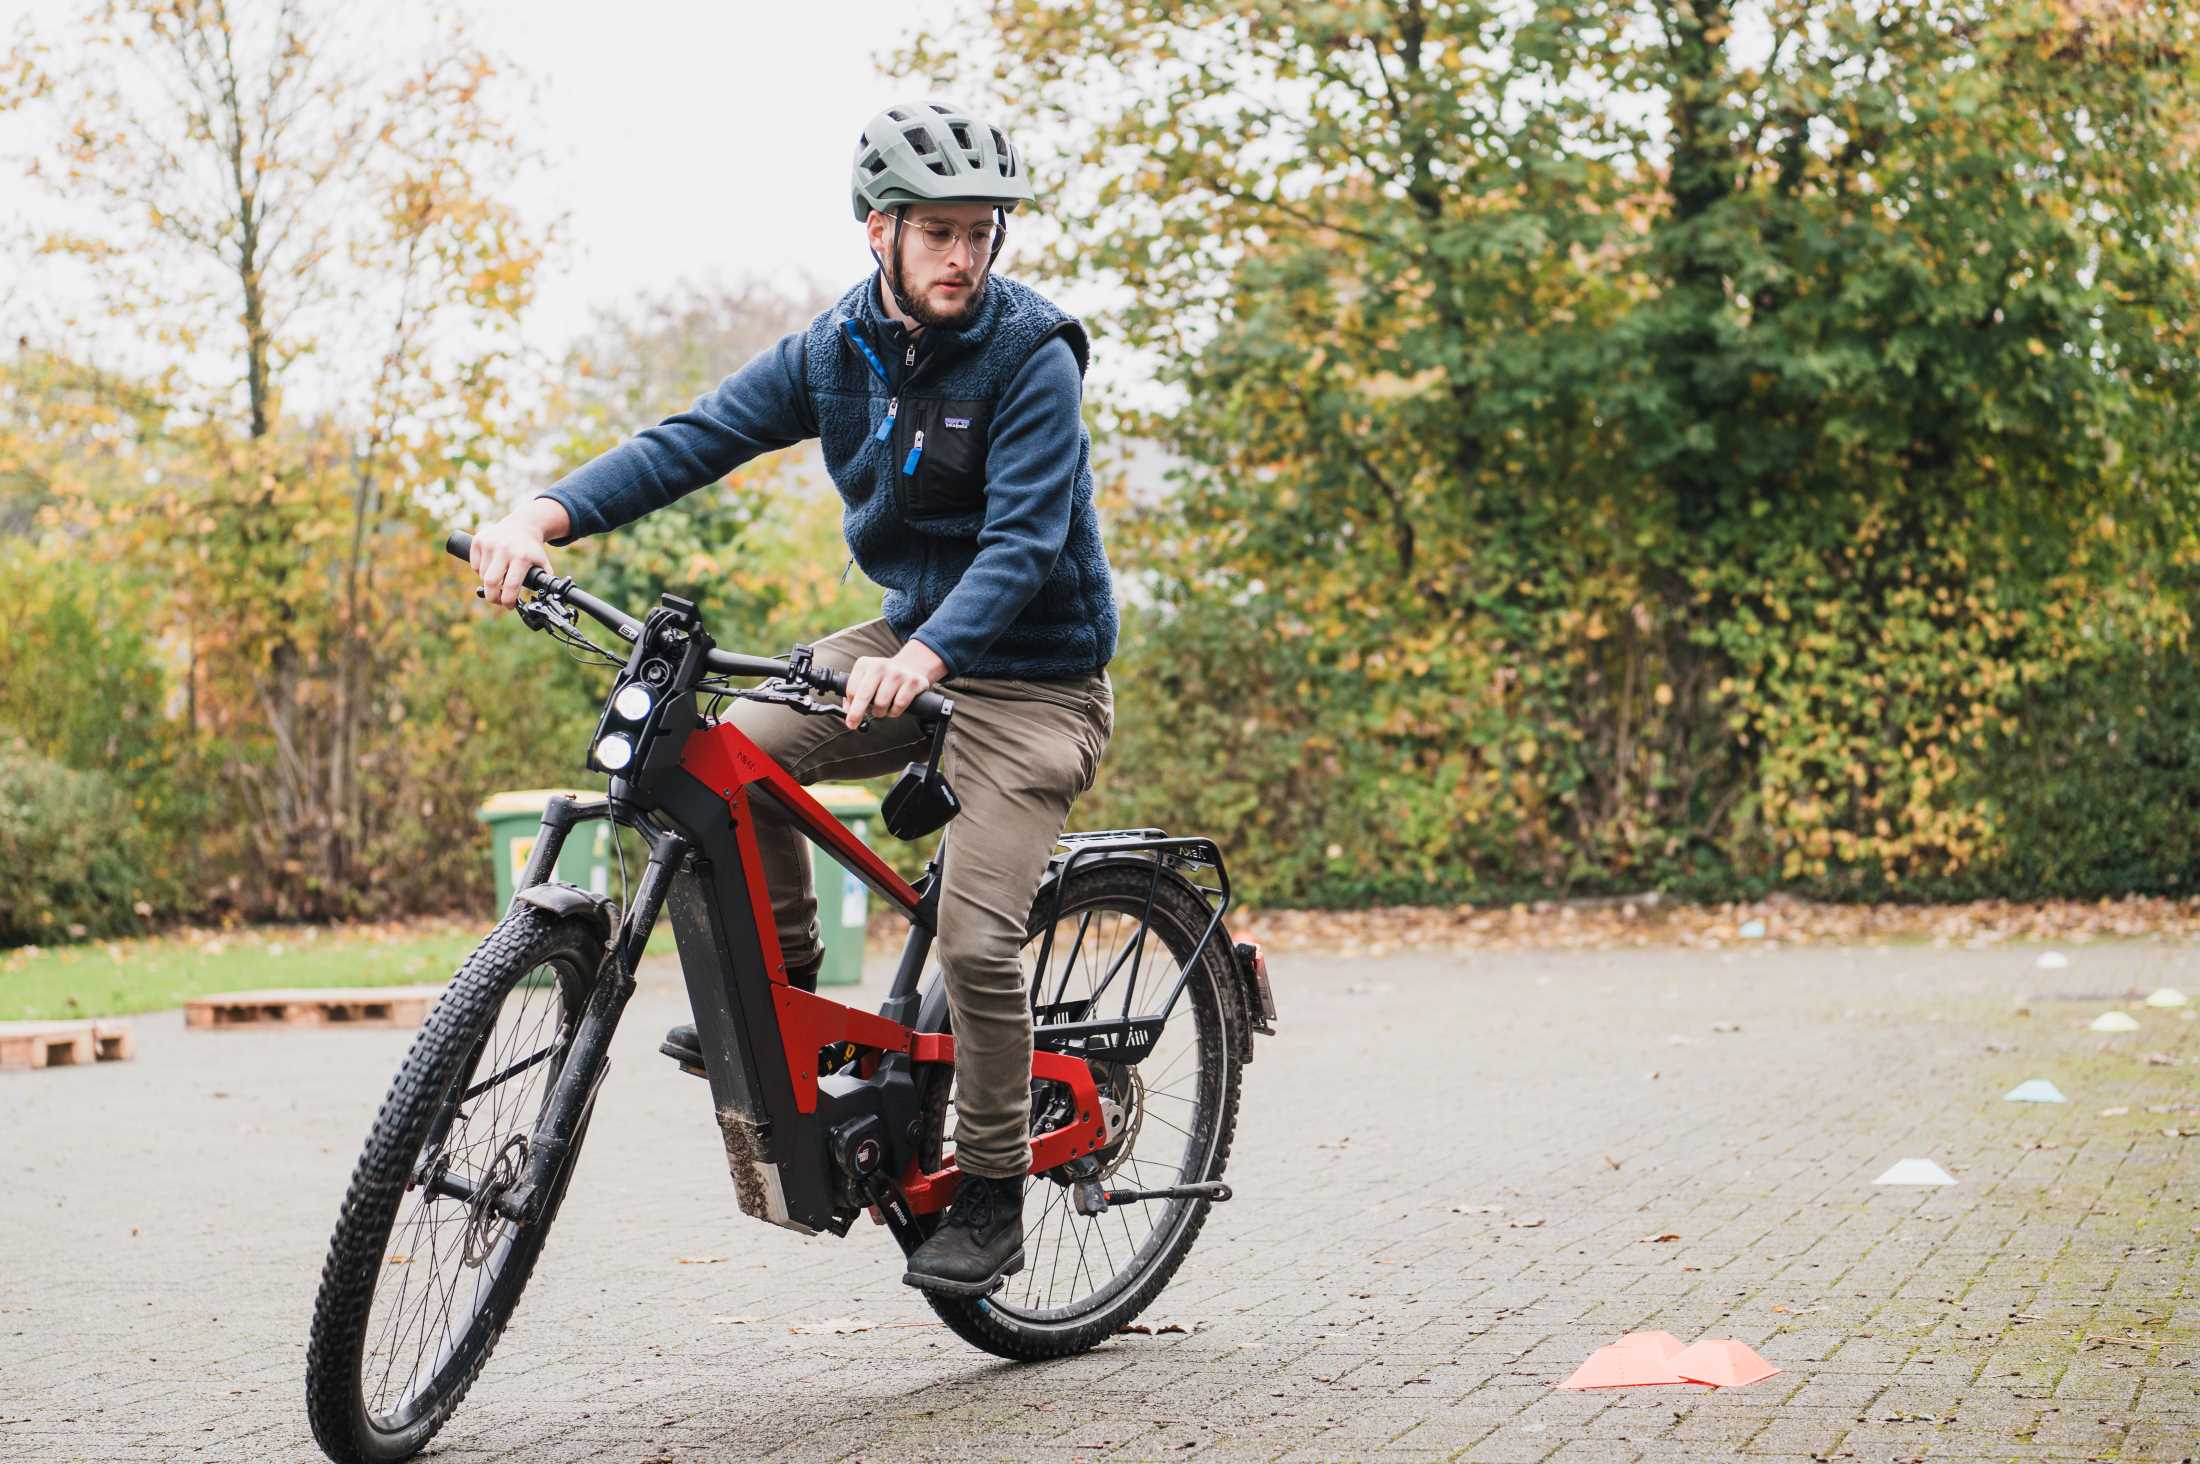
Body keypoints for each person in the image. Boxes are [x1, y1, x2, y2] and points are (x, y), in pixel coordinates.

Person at [466, 100, 1117, 1296]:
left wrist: (925, 661)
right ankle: (791, 1013)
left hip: (1033, 679)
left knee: (976, 941)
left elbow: (1023, 544)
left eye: (982, 232)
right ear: (880, 232)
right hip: (906, 643)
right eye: (940, 233)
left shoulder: (1033, 355)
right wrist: (539, 518)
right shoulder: (836, 352)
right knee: (724, 762)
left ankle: (989, 1186)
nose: (965, 256)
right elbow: (695, 439)